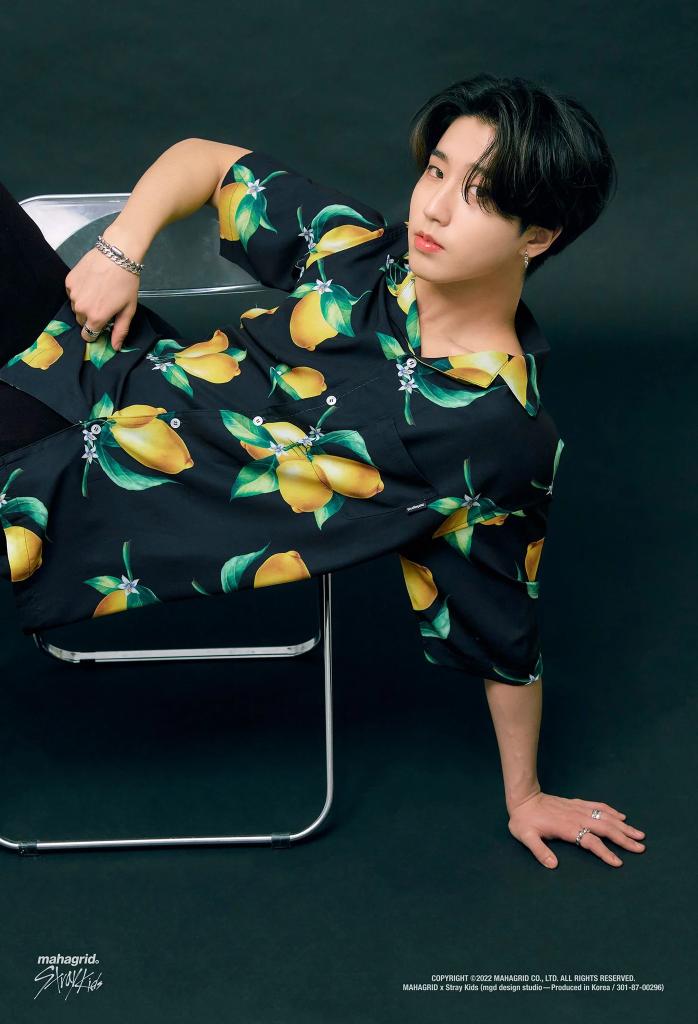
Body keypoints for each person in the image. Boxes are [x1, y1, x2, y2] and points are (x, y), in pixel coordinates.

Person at [0, 73, 646, 868]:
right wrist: (118, 251)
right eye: (436, 171)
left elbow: (502, 620)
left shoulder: (494, 430)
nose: (434, 208)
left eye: (478, 195)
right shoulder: (368, 257)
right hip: (90, 350)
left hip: (72, 490)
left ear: (536, 237)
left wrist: (527, 794)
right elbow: (207, 161)